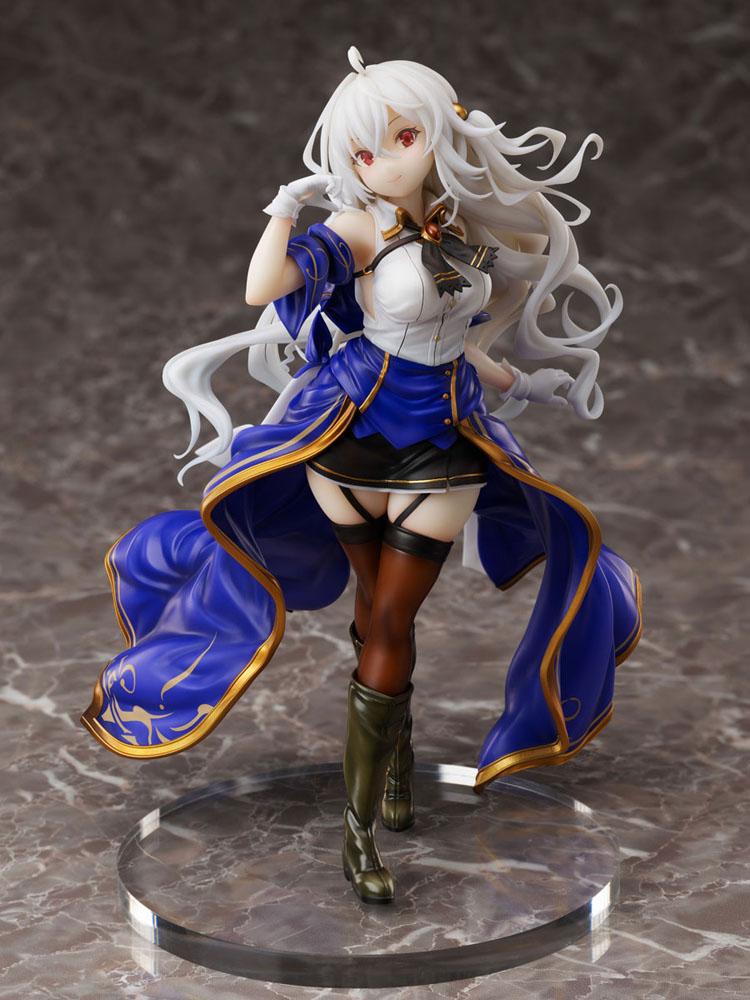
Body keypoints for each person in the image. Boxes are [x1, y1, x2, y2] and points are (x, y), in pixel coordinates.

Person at [81, 48, 643, 905]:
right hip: (349, 436)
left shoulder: (459, 224)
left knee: (390, 618)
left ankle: (372, 806)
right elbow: (261, 288)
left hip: (444, 444)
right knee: (378, 613)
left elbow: (464, 342)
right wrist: (286, 206)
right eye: (363, 152)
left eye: (403, 137)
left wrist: (531, 384)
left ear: (440, 129)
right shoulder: (356, 229)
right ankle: (373, 805)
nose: (383, 161)